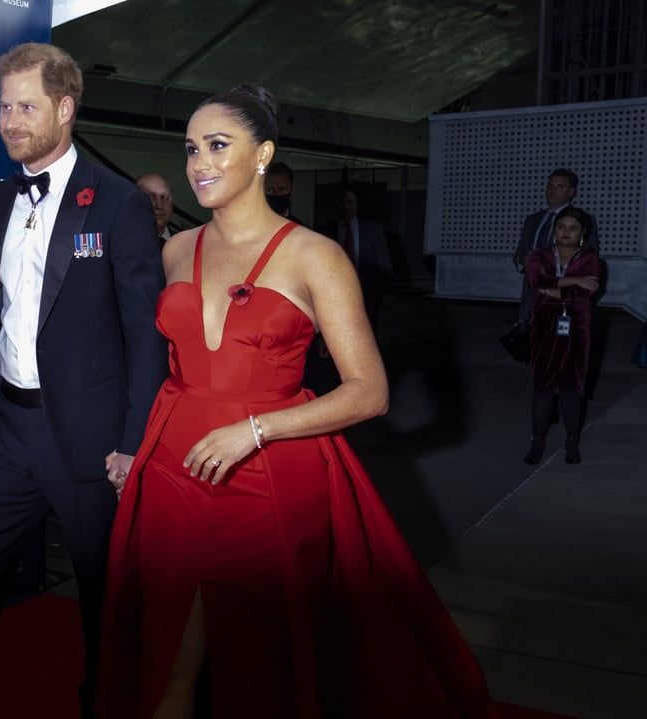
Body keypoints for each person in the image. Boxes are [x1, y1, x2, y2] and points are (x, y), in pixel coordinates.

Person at [96, 85, 495, 718]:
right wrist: (134, 454)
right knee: (168, 654)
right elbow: (162, 368)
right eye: (192, 148)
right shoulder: (176, 248)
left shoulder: (316, 256)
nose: (198, 163)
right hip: (173, 467)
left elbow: (370, 391)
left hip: (267, 477)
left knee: (264, 668)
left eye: (218, 146)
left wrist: (252, 431)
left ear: (264, 155)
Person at [0, 42, 167, 719]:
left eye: (27, 106)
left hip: (92, 443)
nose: (10, 120)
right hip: (6, 432)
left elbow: (146, 335)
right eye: (4, 106)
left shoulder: (117, 205)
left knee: (104, 608)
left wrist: (135, 442)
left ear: (66, 107)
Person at [523, 206, 601, 465]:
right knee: (543, 387)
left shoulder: (591, 259)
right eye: (561, 227)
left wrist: (553, 288)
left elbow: (583, 294)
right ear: (554, 230)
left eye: (573, 228)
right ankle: (537, 442)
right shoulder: (539, 255)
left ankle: (572, 442)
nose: (565, 232)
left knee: (571, 389)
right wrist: (574, 281)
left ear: (582, 233)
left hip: (577, 329)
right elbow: (536, 282)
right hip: (544, 328)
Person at [513, 168, 598, 327]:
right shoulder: (532, 220)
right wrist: (522, 259)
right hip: (531, 298)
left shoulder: (583, 220)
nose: (553, 190)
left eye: (560, 186)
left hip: (564, 299)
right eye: (550, 185)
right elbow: (519, 253)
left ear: (571, 191)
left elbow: (589, 259)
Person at [320, 187, 394, 334]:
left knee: (368, 335)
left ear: (356, 204)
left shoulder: (373, 230)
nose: (346, 207)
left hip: (366, 295)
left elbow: (383, 262)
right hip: (335, 296)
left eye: (350, 202)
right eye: (342, 203)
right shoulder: (325, 232)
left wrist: (388, 291)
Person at [136, 172, 175, 248]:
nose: (159, 205)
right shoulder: (117, 242)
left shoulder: (187, 244)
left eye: (164, 197)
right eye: (151, 197)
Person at [263, 160, 308, 226]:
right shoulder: (249, 226)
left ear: (291, 190)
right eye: (271, 189)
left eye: (282, 189)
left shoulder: (302, 230)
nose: (276, 194)